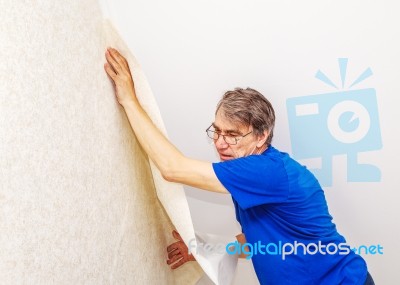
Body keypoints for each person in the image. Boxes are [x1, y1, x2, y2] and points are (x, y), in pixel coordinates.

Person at [104, 47, 375, 285]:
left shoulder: (266, 172)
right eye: (217, 131)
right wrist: (201, 251)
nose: (221, 143)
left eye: (233, 135)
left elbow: (172, 168)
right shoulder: (251, 174)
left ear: (261, 136)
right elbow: (256, 240)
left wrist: (129, 100)